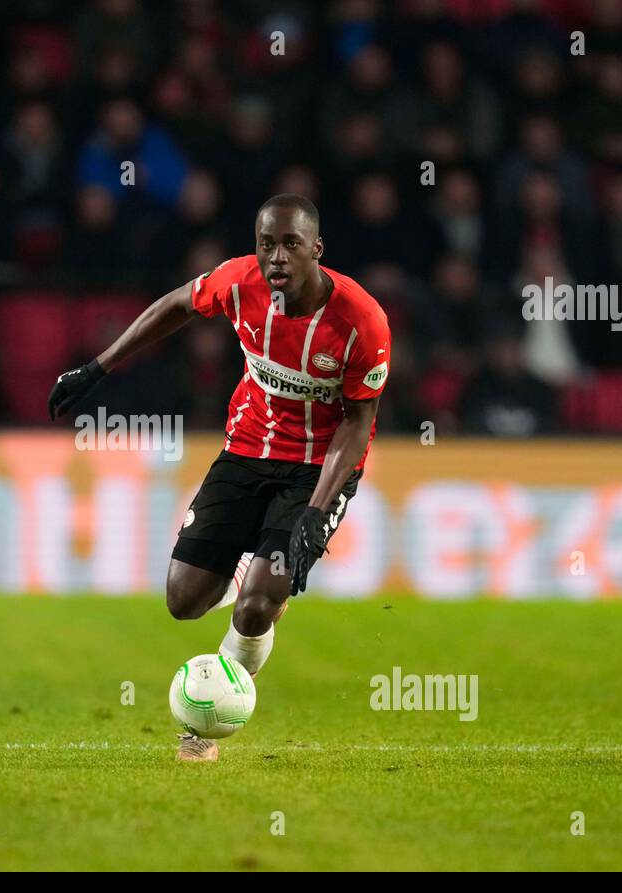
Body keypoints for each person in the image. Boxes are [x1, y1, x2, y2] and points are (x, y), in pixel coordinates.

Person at [47, 194, 390, 762]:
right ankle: (252, 571)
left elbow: (358, 423)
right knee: (183, 601)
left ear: (317, 250)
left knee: (255, 606)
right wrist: (98, 366)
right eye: (266, 244)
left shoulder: (361, 321)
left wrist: (314, 512)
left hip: (316, 470)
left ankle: (203, 728)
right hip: (246, 452)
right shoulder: (239, 283)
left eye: (290, 245)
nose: (276, 257)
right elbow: (176, 305)